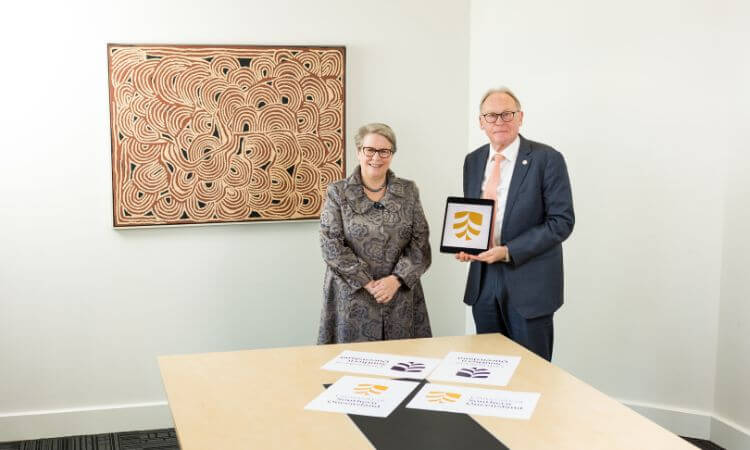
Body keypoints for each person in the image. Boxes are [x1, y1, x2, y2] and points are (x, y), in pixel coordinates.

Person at [456, 87, 574, 361]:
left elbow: (561, 222)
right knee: (488, 369)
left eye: (507, 114)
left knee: (533, 374)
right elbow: (474, 214)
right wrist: (466, 244)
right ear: (481, 122)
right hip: (483, 280)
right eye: (492, 116)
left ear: (520, 117)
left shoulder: (547, 159)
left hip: (529, 283)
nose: (500, 122)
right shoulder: (473, 161)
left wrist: (508, 250)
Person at [317, 123, 432, 344]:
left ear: (392, 154)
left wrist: (396, 280)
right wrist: (370, 284)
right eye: (370, 150)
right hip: (352, 298)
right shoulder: (337, 192)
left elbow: (420, 244)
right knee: (350, 370)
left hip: (399, 297)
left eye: (384, 151)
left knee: (402, 368)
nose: (376, 157)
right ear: (359, 152)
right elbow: (331, 246)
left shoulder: (408, 191)